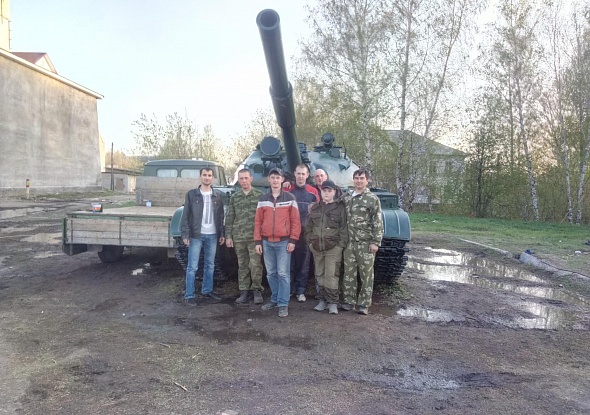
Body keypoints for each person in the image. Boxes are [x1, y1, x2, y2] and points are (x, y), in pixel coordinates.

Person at [254, 167, 301, 318]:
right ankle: (275, 299)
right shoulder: (263, 199)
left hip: (283, 242)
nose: (275, 180)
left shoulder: (290, 198)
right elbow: (257, 221)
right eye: (273, 177)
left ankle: (283, 303)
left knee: (283, 274)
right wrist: (257, 241)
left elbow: (295, 221)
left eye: (278, 177)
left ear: (282, 180)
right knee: (271, 274)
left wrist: (293, 240)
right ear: (269, 179)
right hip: (267, 242)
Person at [181, 168, 226, 306]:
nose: (207, 178)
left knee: (210, 265)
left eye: (209, 175)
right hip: (196, 234)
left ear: (213, 178)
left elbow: (221, 216)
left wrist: (222, 233)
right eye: (204, 175)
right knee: (192, 266)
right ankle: (189, 295)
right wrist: (185, 234)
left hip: (212, 234)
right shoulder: (192, 194)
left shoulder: (217, 195)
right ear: (200, 177)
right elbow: (186, 215)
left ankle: (207, 290)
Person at [342, 168, 383, 315]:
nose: (359, 181)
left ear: (367, 180)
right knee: (349, 273)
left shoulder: (372, 199)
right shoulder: (347, 198)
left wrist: (375, 242)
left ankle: (364, 304)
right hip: (349, 242)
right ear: (353, 180)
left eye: (362, 178)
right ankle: (349, 301)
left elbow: (378, 221)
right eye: (356, 178)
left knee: (366, 274)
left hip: (365, 243)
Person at [305, 180, 348, 315]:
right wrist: (310, 243)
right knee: (319, 274)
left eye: (329, 191)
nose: (327, 193)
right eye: (324, 191)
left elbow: (344, 228)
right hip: (317, 247)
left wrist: (340, 246)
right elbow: (308, 227)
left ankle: (333, 302)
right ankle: (322, 300)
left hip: (333, 248)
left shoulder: (340, 208)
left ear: (334, 192)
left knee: (331, 275)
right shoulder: (315, 207)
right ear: (321, 192)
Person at [225, 169, 264, 304]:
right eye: (241, 178)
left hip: (254, 238)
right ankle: (244, 291)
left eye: (246, 178)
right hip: (239, 237)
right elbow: (230, 217)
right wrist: (228, 236)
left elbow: (264, 217)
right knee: (242, 265)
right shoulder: (235, 197)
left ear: (251, 179)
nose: (244, 181)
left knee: (255, 265)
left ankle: (257, 290)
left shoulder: (259, 195)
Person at [287, 163, 319, 302]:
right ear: (294, 174)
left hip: (305, 232)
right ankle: (288, 290)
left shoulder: (313, 192)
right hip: (288, 232)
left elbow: (317, 211)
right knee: (288, 263)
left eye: (303, 174)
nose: (300, 176)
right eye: (298, 173)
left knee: (303, 264)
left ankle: (300, 290)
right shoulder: (287, 190)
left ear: (307, 175)